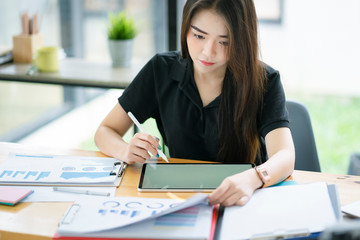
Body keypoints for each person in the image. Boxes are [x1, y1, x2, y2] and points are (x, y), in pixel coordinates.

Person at [95, 0, 295, 206]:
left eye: (224, 42)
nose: (208, 51)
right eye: (199, 35)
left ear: (243, 41)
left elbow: (285, 155)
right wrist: (124, 150)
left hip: (246, 200)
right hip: (179, 198)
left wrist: (254, 178)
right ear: (186, 28)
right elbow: (105, 131)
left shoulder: (264, 80)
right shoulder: (161, 70)